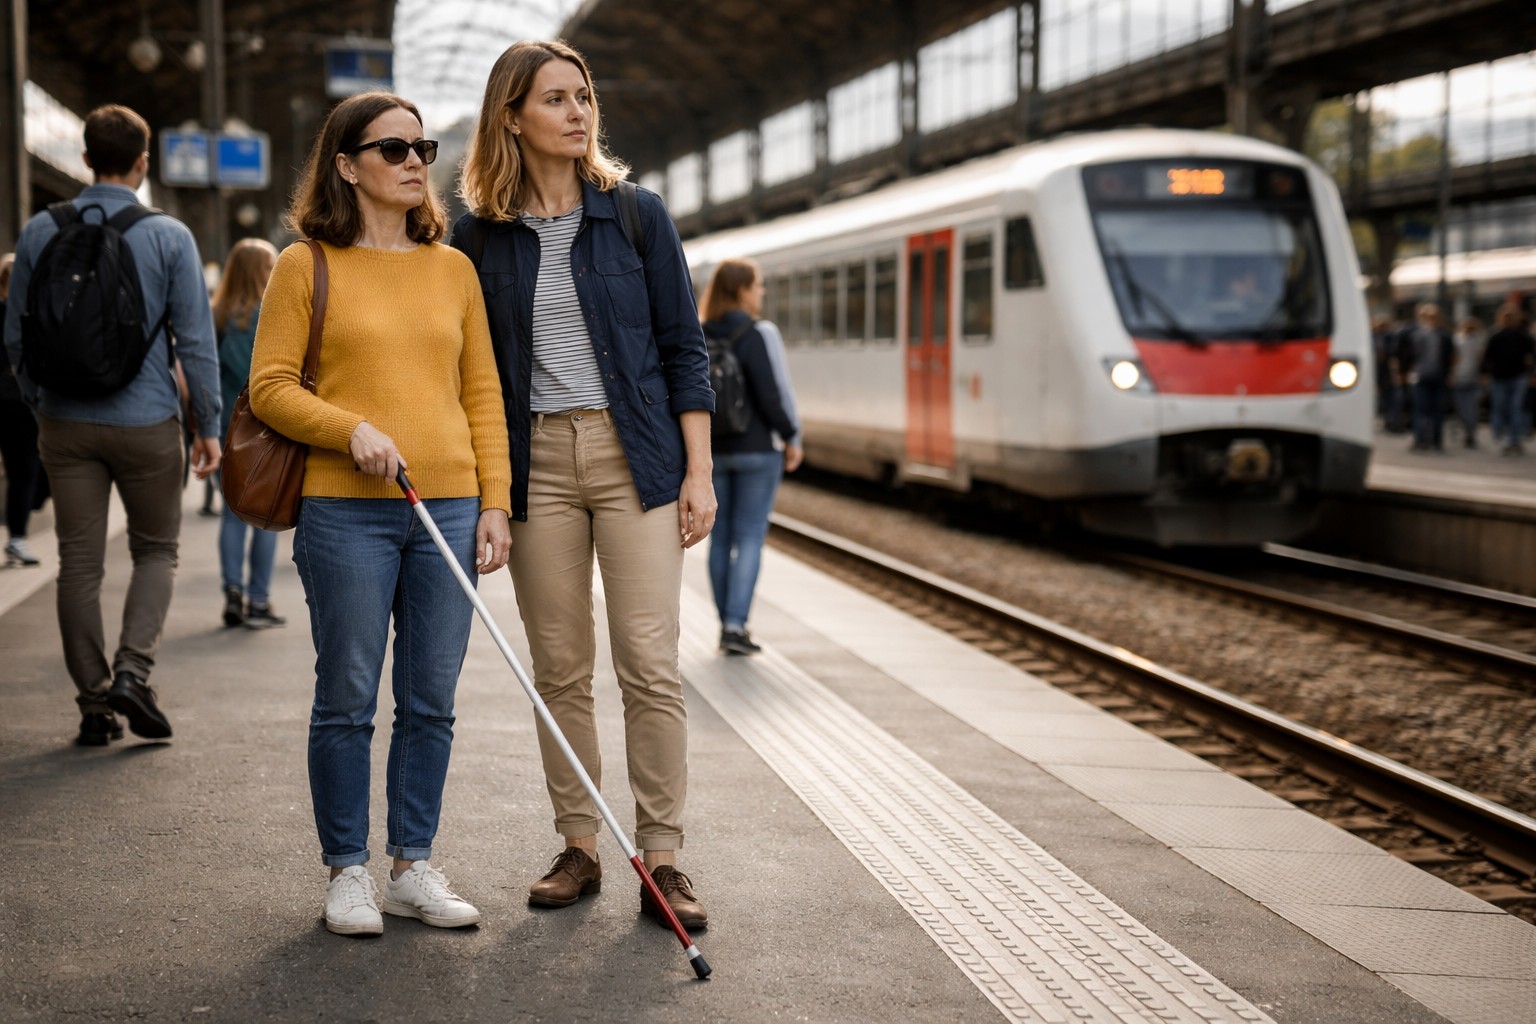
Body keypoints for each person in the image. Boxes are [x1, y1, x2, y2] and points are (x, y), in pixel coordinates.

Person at [453, 39, 716, 930]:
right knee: (559, 669)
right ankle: (580, 844)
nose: (578, 111)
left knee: (649, 663)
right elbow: (465, 369)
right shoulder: (478, 238)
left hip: (635, 456)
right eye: (556, 99)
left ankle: (666, 859)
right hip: (533, 467)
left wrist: (700, 472)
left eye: (585, 95)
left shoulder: (636, 216)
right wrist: (488, 489)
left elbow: (685, 349)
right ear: (511, 117)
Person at [248, 91, 511, 936]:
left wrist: (496, 502)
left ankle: (413, 865)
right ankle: (347, 872)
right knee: (349, 698)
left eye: (422, 149)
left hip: (451, 506)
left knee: (431, 699)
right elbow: (269, 389)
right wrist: (349, 427)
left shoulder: (454, 269)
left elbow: (483, 395)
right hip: (346, 513)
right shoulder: (304, 265)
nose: (412, 163)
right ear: (346, 163)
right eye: (392, 149)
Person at [2, 105, 221, 747]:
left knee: (79, 563)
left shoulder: (40, 230)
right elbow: (195, 342)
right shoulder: (170, 236)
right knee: (155, 549)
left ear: (84, 156)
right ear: (144, 162)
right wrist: (205, 423)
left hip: (64, 424)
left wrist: (40, 400)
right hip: (148, 419)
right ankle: (133, 671)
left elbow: (15, 333)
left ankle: (94, 702)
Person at [699, 259, 801, 655]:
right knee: (750, 537)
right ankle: (736, 626)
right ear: (741, 289)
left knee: (720, 538)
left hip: (715, 451)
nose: (762, 292)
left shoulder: (700, 332)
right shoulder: (755, 334)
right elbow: (770, 395)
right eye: (758, 285)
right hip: (757, 451)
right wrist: (791, 435)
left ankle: (725, 622)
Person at [211, 238, 285, 629]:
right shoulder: (270, 314)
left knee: (231, 515)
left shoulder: (218, 314)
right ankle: (259, 598)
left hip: (228, 430)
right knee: (265, 512)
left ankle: (233, 592)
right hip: (270, 432)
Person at [0, 252, 48, 567]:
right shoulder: (26, 314)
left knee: (26, 469)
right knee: (26, 469)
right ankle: (17, 535)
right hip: (20, 400)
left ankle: (17, 532)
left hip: (16, 400)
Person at [1481, 304, 1535, 455]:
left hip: (1517, 377)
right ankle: (1502, 439)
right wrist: (1484, 373)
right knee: (1501, 408)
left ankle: (1514, 439)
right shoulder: (1495, 336)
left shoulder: (1523, 336)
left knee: (1515, 409)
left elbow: (1530, 357)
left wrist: (1530, 373)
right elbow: (1487, 358)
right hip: (1500, 378)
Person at [1400, 302, 1453, 453]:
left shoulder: (1420, 334)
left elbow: (1408, 355)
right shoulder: (1439, 334)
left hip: (1427, 376)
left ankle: (1425, 440)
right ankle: (1429, 440)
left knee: (1425, 409)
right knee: (1430, 409)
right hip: (1429, 376)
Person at [1450, 315, 1487, 449]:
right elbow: (1481, 359)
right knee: (1471, 407)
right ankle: (1470, 432)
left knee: (1463, 407)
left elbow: (1454, 359)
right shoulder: (1479, 340)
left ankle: (1468, 431)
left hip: (1461, 377)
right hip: (1472, 377)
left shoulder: (1458, 339)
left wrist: (1452, 374)